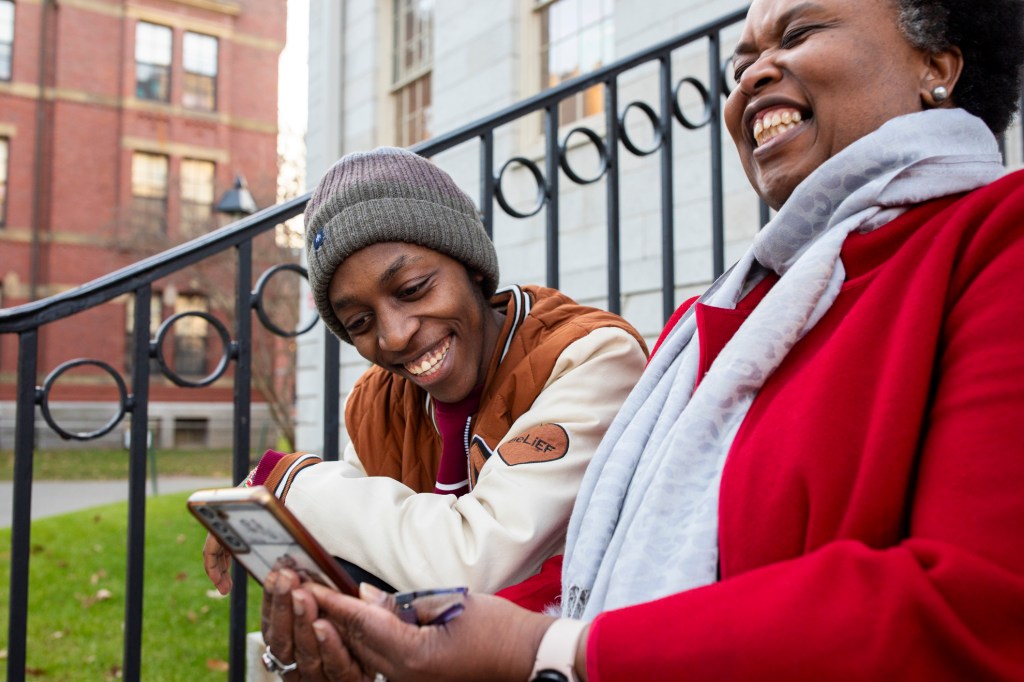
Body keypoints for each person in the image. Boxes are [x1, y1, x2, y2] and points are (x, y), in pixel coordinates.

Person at [258, 0, 1024, 679]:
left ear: (939, 64)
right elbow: (593, 572)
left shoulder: (996, 246)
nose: (756, 74)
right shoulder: (720, 318)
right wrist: (392, 636)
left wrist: (551, 653)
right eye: (742, 59)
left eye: (798, 31)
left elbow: (976, 608)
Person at [202, 147, 648, 599]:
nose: (394, 337)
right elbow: (359, 556)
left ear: (471, 266)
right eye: (360, 323)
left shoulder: (589, 357)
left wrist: (289, 487)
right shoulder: (376, 404)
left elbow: (475, 563)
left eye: (413, 289)